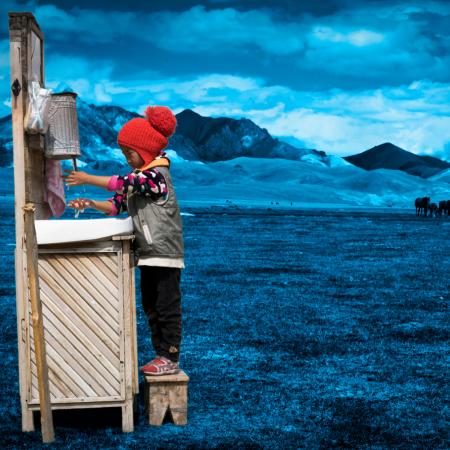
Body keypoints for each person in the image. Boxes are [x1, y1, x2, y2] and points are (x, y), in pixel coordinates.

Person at [65, 105, 184, 376]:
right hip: (149, 253)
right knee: (151, 307)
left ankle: (170, 357)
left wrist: (86, 178)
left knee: (166, 307)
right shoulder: (141, 179)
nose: (126, 158)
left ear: (144, 150)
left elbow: (121, 183)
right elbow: (116, 203)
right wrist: (90, 203)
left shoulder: (156, 176)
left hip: (164, 253)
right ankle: (160, 355)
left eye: (128, 152)